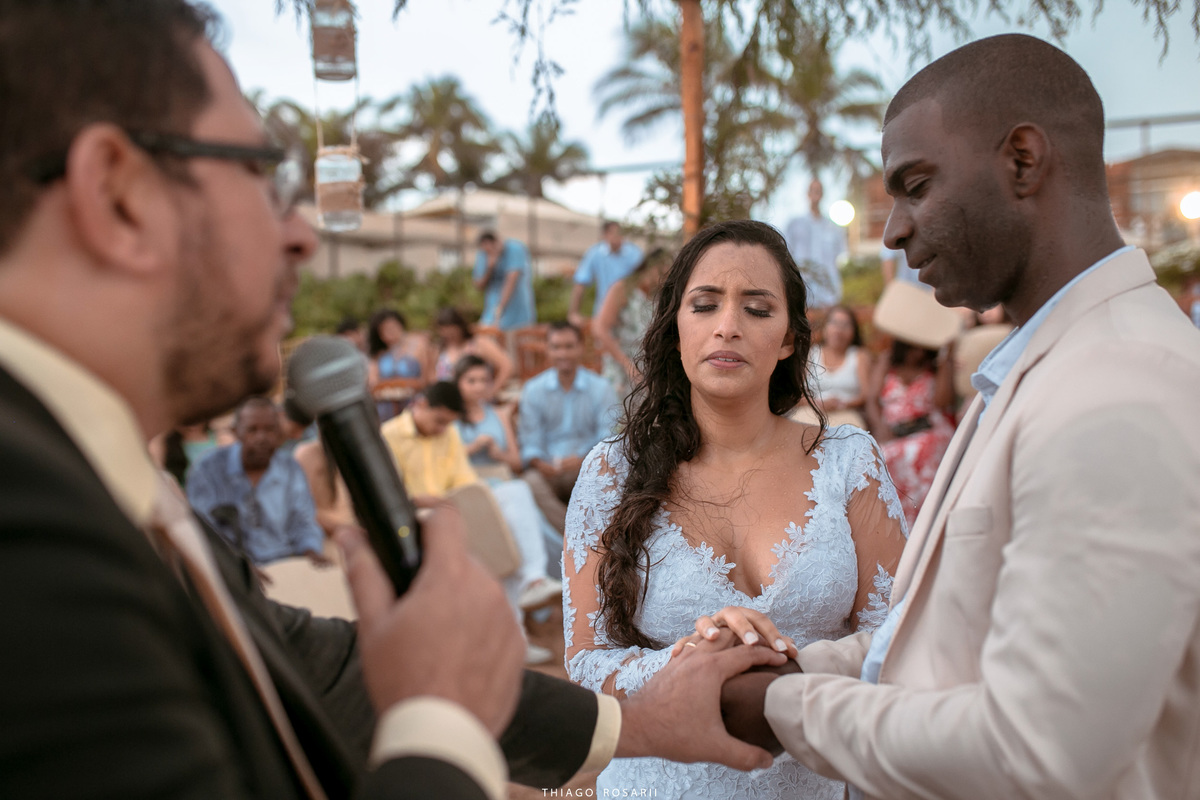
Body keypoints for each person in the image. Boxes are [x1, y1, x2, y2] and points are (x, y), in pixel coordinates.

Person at [0, 3, 669, 795]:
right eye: (264, 173)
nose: (302, 234)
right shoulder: (28, 533)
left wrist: (645, 722)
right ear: (118, 197)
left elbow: (295, 664)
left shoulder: (94, 482)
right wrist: (441, 717)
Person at [694, 34, 1200, 799]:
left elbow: (1038, 753)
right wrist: (795, 662)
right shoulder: (1047, 366)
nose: (894, 229)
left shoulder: (1117, 385)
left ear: (1023, 161)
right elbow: (947, 644)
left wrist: (776, 705)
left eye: (916, 185)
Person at [563, 220, 909, 799]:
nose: (728, 327)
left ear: (790, 339)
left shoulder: (850, 463)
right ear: (675, 329)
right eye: (704, 306)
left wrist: (791, 668)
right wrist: (689, 660)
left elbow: (900, 638)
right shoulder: (610, 473)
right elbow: (583, 664)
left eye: (757, 309)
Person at [379, 382, 564, 664]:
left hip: (454, 507)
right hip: (415, 517)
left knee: (515, 497)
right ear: (420, 405)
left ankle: (533, 579)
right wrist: (420, 500)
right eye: (439, 420)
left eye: (448, 423)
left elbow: (465, 482)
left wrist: (461, 502)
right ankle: (515, 632)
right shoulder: (389, 435)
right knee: (498, 544)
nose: (443, 429)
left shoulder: (449, 432)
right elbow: (386, 491)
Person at [187, 396, 330, 566]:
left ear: (278, 432)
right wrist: (240, 570)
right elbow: (204, 532)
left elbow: (303, 523)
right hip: (231, 568)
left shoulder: (290, 469)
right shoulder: (208, 470)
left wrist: (310, 551)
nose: (261, 438)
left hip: (284, 565)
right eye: (252, 430)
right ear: (235, 432)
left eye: (269, 430)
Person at [518, 321, 619, 534]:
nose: (563, 353)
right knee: (528, 484)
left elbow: (608, 439)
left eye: (569, 346)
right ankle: (573, 534)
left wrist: (583, 460)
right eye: (556, 347)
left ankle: (585, 536)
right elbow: (530, 440)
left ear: (581, 348)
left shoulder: (601, 388)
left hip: (587, 466)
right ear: (547, 350)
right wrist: (539, 462)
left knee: (607, 478)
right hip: (548, 468)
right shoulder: (533, 390)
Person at [864, 337, 955, 527]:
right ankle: (895, 524)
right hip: (892, 430)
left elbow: (942, 402)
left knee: (919, 451)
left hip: (928, 429)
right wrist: (880, 427)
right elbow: (871, 400)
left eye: (922, 348)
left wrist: (946, 362)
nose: (918, 353)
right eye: (913, 348)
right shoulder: (887, 362)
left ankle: (924, 523)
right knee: (883, 456)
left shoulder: (935, 367)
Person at [590, 246, 671, 400]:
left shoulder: (660, 295)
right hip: (621, 361)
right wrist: (627, 366)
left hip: (650, 366)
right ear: (648, 267)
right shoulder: (623, 288)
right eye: (660, 273)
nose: (661, 279)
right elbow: (600, 328)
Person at [790, 305, 870, 429]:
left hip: (847, 416)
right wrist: (818, 403)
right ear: (825, 328)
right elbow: (796, 394)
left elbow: (865, 395)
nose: (839, 330)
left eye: (845, 325)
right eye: (834, 323)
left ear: (854, 331)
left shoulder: (859, 356)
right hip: (810, 413)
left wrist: (842, 404)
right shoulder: (812, 354)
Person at [567, 220, 644, 329]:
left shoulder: (634, 253)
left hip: (631, 312)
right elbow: (580, 282)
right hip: (603, 312)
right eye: (612, 233)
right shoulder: (594, 253)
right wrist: (573, 313)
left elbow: (644, 282)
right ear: (604, 235)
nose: (617, 237)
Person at [784, 179, 846, 309]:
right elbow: (787, 255)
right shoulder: (795, 224)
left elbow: (840, 257)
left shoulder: (834, 228)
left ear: (823, 194)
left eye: (819, 190)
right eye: (813, 190)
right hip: (802, 289)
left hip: (828, 292)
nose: (815, 194)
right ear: (807, 194)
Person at [366, 307, 430, 421]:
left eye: (393, 327)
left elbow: (426, 379)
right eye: (386, 330)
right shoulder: (378, 354)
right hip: (386, 408)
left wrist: (402, 385)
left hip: (413, 406)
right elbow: (373, 383)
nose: (391, 332)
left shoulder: (419, 346)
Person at [432, 306, 513, 391]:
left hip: (477, 395)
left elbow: (507, 366)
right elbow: (432, 377)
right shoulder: (438, 349)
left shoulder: (479, 343)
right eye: (445, 333)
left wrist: (493, 390)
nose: (449, 336)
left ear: (460, 327)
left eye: (452, 332)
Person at [473, 231, 536, 332]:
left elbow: (511, 281)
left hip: (518, 314)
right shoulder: (483, 254)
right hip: (491, 313)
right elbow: (479, 285)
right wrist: (490, 267)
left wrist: (499, 310)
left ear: (497, 242)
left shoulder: (514, 248)